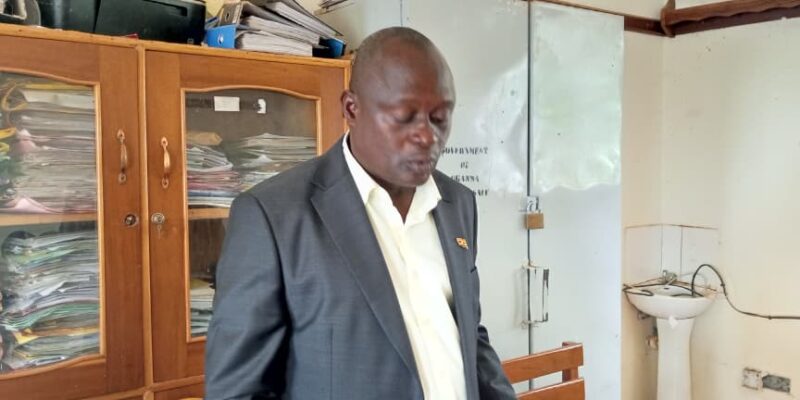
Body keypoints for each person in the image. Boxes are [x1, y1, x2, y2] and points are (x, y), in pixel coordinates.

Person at [204, 26, 515, 400]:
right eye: (404, 116)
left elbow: (468, 334)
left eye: (439, 117)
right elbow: (238, 391)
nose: (427, 136)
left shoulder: (456, 203)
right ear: (352, 109)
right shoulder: (273, 216)